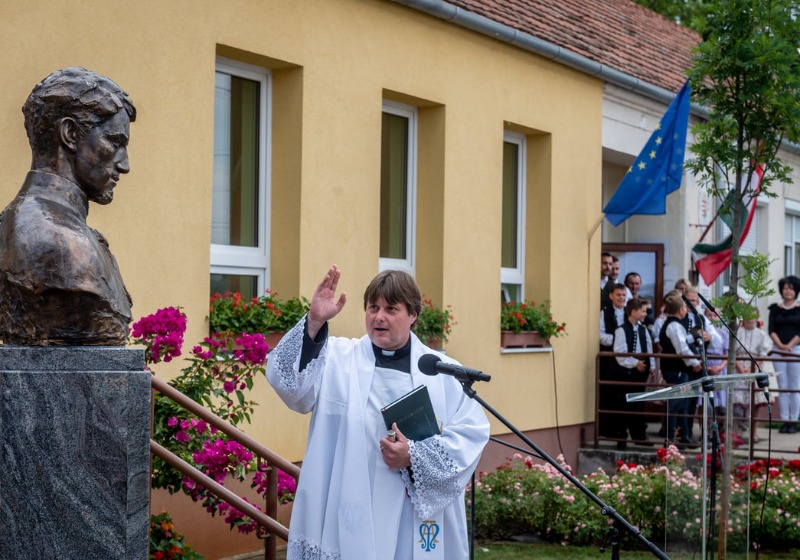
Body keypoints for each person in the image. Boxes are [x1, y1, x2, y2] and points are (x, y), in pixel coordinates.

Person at [265, 266, 490, 559]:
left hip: (411, 515)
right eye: (373, 307)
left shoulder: (441, 372)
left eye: (391, 309)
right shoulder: (337, 359)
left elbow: (472, 433)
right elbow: (289, 384)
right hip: (349, 506)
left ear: (413, 315)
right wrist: (314, 322)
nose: (379, 317)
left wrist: (413, 456)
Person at [0, 67, 135, 345]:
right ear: (70, 134)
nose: (125, 165)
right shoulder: (60, 243)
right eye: (114, 141)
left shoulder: (18, 224)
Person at [612, 297, 656, 448]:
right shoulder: (621, 330)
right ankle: (622, 437)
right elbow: (619, 353)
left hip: (641, 371)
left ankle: (639, 436)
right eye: (642, 311)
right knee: (625, 404)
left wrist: (651, 365)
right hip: (627, 373)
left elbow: (648, 347)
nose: (645, 314)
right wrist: (634, 363)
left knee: (639, 404)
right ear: (633, 312)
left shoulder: (643, 329)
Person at [659, 293, 702, 445]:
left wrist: (695, 336)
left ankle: (683, 436)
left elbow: (683, 341)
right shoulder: (674, 325)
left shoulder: (675, 325)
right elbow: (681, 349)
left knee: (683, 404)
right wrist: (694, 362)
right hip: (675, 369)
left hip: (679, 369)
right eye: (684, 306)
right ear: (681, 310)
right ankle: (671, 439)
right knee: (676, 404)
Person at [734, 314, 774, 444]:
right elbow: (732, 352)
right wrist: (740, 368)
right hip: (739, 365)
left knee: (755, 402)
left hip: (755, 365)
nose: (749, 320)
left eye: (752, 317)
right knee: (737, 401)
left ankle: (753, 433)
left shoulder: (761, 334)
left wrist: (753, 368)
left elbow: (763, 352)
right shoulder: (738, 332)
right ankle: (737, 431)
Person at [768, 275, 800, 434]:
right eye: (786, 288)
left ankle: (794, 420)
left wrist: (790, 345)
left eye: (791, 288)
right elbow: (771, 329)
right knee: (782, 386)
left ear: (796, 291)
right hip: (777, 350)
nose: (788, 291)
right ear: (781, 290)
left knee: (794, 386)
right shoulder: (775, 309)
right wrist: (781, 345)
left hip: (795, 351)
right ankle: (785, 420)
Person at [598, 283, 627, 438]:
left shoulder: (629, 311)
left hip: (626, 361)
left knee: (623, 396)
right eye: (618, 295)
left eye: (623, 295)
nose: (621, 298)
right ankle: (608, 430)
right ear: (611, 296)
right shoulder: (605, 312)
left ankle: (622, 430)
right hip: (609, 360)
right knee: (609, 395)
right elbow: (601, 336)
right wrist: (619, 340)